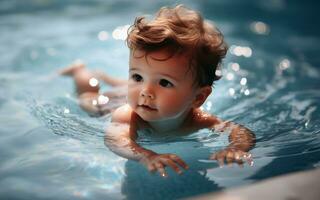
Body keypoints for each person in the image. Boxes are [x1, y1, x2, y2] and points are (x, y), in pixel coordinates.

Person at [60, 5, 255, 177]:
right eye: (137, 77)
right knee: (88, 99)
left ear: (198, 97)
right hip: (109, 104)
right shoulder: (128, 116)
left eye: (164, 83)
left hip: (123, 93)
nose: (145, 92)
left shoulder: (198, 119)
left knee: (124, 85)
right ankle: (80, 71)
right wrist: (146, 156)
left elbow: (240, 131)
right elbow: (116, 140)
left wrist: (236, 148)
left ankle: (118, 79)